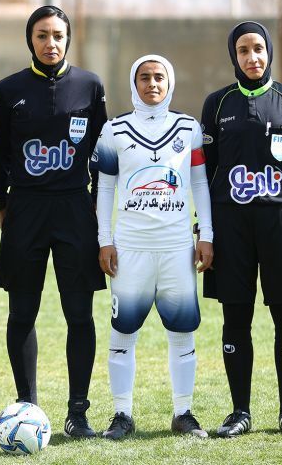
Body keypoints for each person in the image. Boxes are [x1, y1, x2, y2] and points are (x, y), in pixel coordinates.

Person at [201, 21, 282, 438]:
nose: (252, 57)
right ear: (233, 56)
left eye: (258, 48)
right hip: (231, 224)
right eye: (243, 50)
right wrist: (205, 230)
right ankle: (240, 412)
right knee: (235, 315)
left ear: (269, 51)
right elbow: (206, 172)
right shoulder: (217, 104)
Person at [0, 5, 107, 438]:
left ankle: (78, 412)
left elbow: (102, 150)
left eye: (57, 35)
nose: (50, 43)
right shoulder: (10, 89)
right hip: (26, 209)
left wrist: (96, 201)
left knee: (79, 313)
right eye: (42, 35)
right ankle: (28, 407)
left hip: (75, 208)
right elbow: (0, 151)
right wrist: (1, 200)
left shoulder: (90, 86)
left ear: (67, 39)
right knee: (22, 312)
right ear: (30, 39)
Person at [92, 54, 213, 440]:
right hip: (130, 249)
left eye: (159, 77)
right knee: (123, 332)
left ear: (170, 82)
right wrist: (105, 240)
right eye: (144, 77)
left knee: (182, 332)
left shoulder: (188, 128)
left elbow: (199, 183)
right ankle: (122, 415)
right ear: (134, 83)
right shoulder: (114, 130)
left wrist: (206, 234)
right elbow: (105, 187)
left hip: (177, 248)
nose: (152, 84)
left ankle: (183, 412)